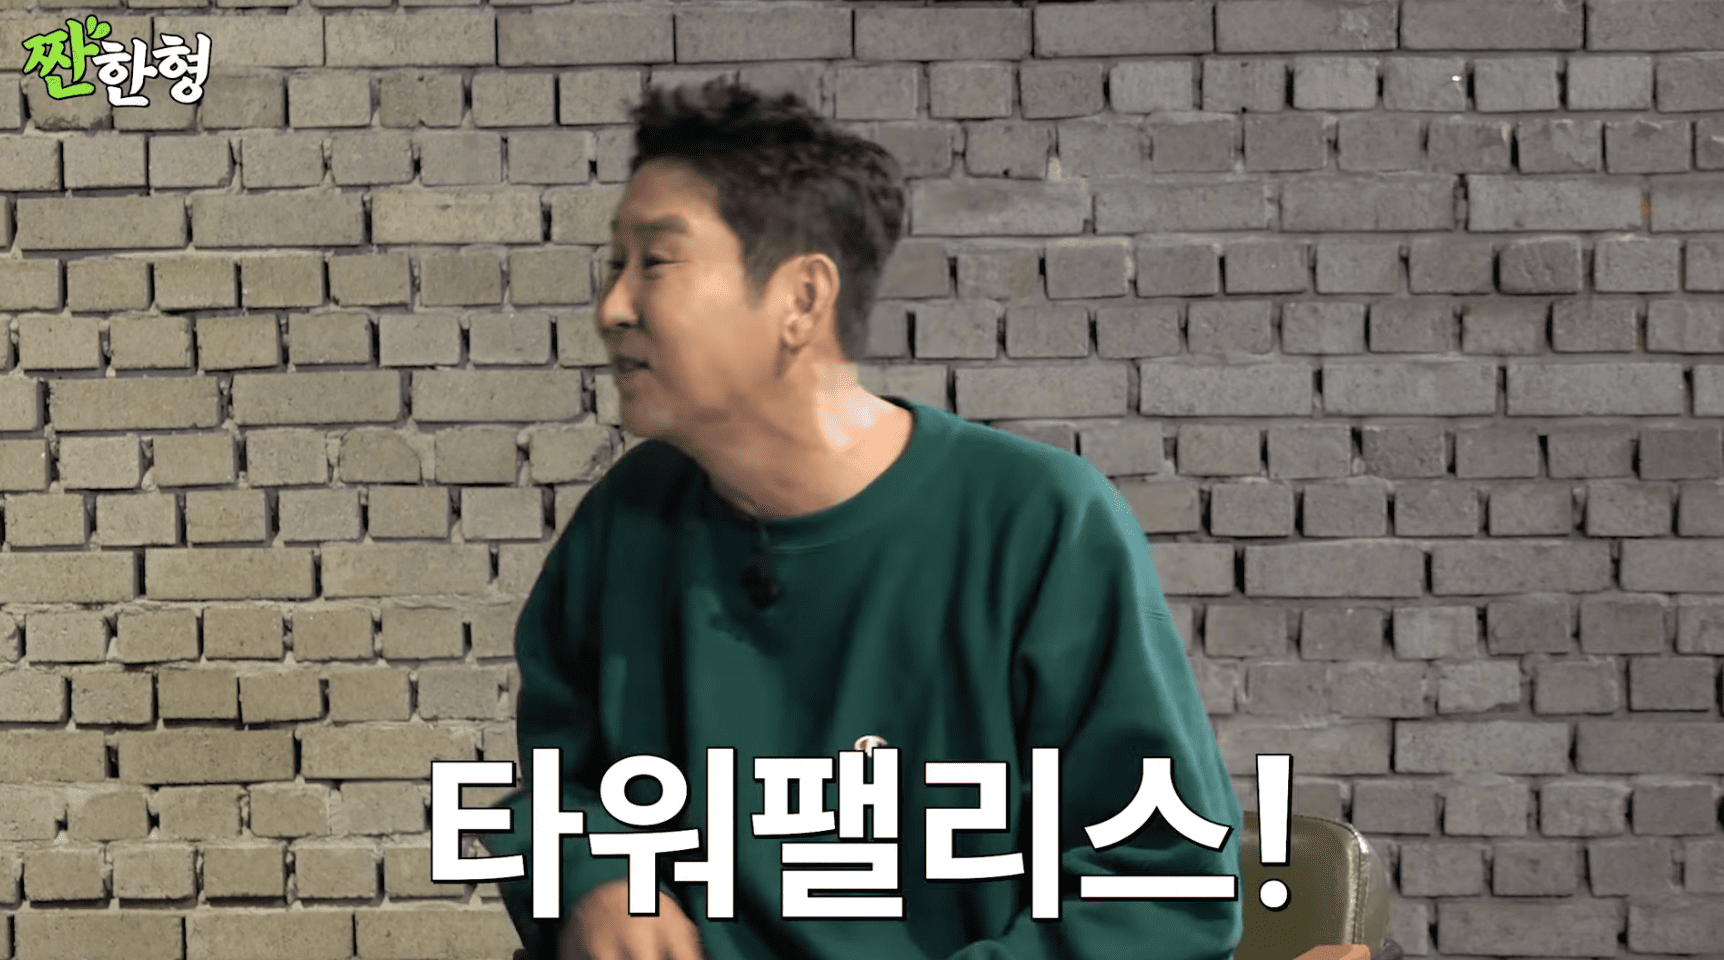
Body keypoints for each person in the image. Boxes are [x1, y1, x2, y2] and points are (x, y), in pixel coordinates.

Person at [484, 77, 1244, 960]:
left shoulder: (1040, 525)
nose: (612, 307)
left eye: (655, 262)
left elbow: (1166, 888)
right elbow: (555, 788)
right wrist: (593, 877)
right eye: (614, 264)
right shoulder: (626, 520)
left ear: (802, 300)